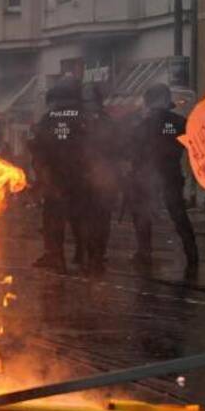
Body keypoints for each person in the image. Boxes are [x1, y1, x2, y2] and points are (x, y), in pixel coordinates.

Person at [129, 83, 199, 270]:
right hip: (171, 174)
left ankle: (144, 252)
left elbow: (131, 151)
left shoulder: (141, 124)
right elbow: (194, 144)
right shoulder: (179, 122)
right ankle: (192, 253)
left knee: (142, 214)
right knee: (178, 215)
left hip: (145, 177)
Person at [28, 77, 87, 273]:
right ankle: (84, 255)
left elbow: (38, 148)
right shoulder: (84, 117)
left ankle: (56, 256)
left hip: (55, 178)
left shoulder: (49, 119)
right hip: (81, 178)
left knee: (53, 219)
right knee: (79, 217)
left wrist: (40, 176)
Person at [81, 82, 119, 274]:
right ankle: (96, 253)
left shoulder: (81, 121)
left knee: (93, 219)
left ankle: (93, 253)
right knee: (99, 219)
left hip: (95, 179)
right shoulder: (107, 121)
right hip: (100, 179)